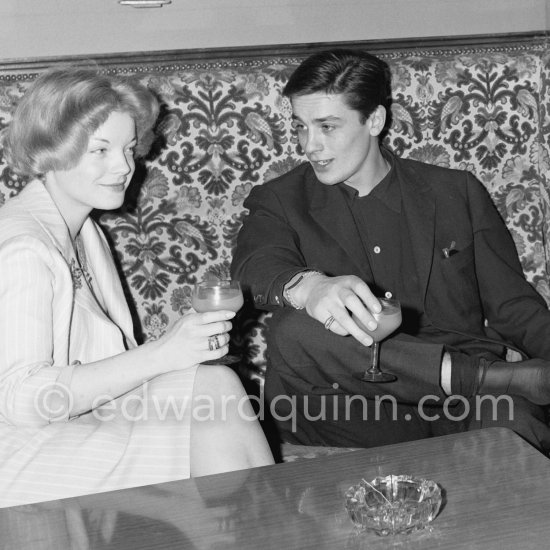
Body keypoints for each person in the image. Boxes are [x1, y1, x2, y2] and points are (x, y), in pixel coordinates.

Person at [231, 48, 550, 452]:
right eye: (300, 127)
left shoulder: (455, 192)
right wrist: (310, 288)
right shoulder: (280, 200)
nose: (309, 145)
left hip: (463, 406)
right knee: (294, 329)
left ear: (375, 120)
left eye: (327, 126)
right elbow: (253, 264)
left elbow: (513, 306)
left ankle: (484, 387)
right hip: (351, 409)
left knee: (514, 425)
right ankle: (481, 375)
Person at [0, 66, 273, 508]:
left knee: (214, 386)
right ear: (53, 149)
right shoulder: (23, 247)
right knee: (207, 414)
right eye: (101, 150)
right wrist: (164, 354)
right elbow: (22, 401)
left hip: (78, 419)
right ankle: (260, 529)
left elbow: (109, 364)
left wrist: (182, 352)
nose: (124, 167)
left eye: (129, 149)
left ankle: (255, 528)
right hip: (21, 454)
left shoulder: (83, 229)